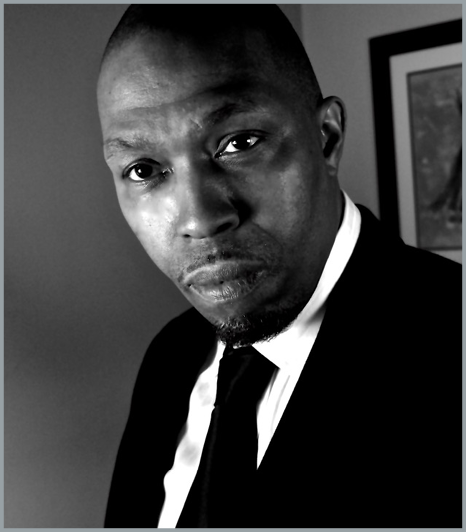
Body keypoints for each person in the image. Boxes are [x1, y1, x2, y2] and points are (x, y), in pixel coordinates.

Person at [97, 5, 461, 528]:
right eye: (143, 169)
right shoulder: (169, 358)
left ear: (326, 137)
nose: (200, 219)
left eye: (239, 143)